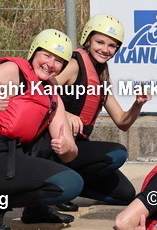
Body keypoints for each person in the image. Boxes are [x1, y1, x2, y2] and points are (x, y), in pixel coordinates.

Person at [0, 28, 83, 230]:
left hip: (14, 158)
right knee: (70, 183)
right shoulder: (12, 70)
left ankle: (35, 210)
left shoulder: (51, 94)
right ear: (34, 52)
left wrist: (66, 147)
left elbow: (71, 153)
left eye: (58, 61)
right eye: (46, 55)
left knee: (71, 183)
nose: (50, 64)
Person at [52, 14, 150, 210]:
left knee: (125, 194)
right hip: (56, 145)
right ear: (88, 39)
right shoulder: (74, 65)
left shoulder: (100, 76)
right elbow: (41, 90)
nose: (105, 49)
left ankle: (69, 186)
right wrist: (66, 114)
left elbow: (123, 122)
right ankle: (56, 184)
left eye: (112, 46)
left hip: (78, 146)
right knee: (117, 154)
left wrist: (138, 104)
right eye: (100, 42)